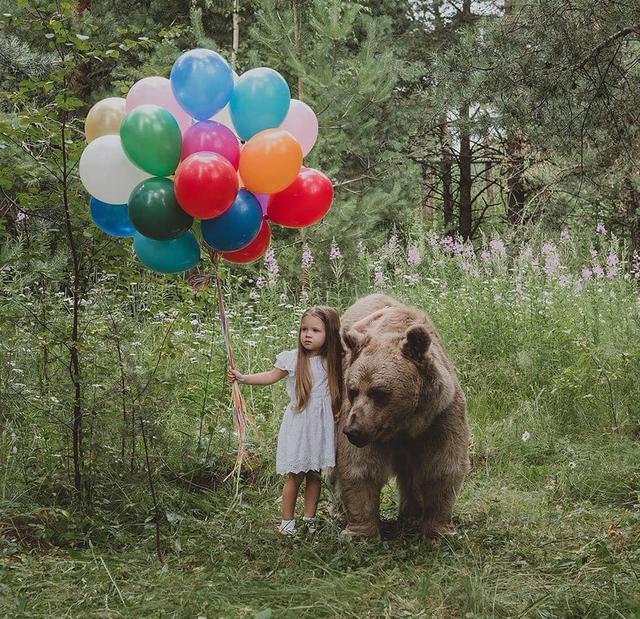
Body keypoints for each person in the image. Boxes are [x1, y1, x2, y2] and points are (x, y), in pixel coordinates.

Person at [228, 305, 343, 535]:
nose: (307, 335)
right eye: (304, 329)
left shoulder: (334, 361)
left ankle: (308, 521)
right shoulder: (292, 359)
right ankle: (287, 523)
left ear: (329, 334)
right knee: (295, 475)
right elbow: (270, 377)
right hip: (300, 425)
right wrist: (243, 378)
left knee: (315, 474)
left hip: (321, 426)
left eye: (315, 330)